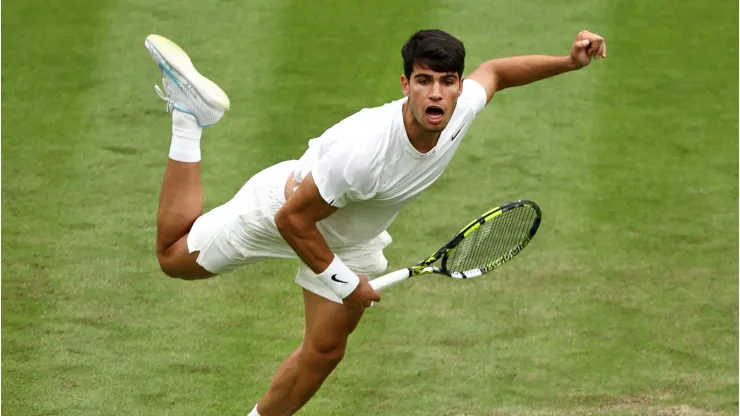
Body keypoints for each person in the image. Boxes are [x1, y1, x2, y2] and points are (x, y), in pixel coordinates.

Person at [144, 28, 606, 416]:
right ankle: (189, 116)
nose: (437, 93)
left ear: (459, 87)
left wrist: (569, 62)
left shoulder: (461, 108)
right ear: (405, 84)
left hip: (349, 235)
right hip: (278, 212)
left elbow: (499, 72)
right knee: (172, 257)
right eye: (424, 80)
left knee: (326, 350)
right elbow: (292, 221)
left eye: (448, 81)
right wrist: (346, 283)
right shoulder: (364, 155)